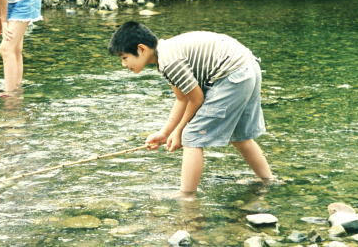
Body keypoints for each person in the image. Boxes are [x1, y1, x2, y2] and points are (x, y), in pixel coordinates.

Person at [108, 21, 273, 194]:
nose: (124, 65)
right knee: (239, 136)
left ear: (141, 49)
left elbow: (196, 99)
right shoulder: (166, 54)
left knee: (191, 136)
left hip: (233, 74)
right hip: (247, 68)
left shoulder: (169, 62)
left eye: (124, 58)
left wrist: (179, 132)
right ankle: (268, 180)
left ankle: (187, 198)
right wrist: (165, 133)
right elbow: (182, 99)